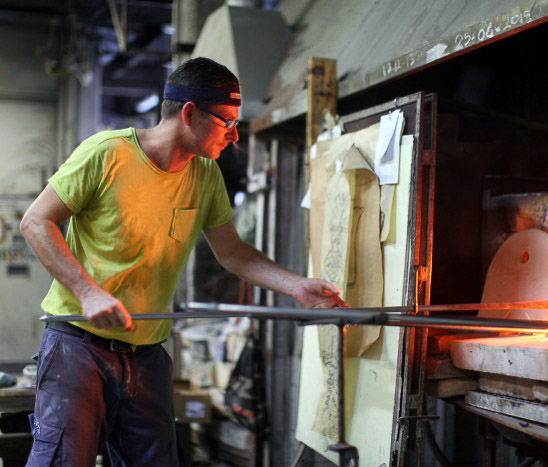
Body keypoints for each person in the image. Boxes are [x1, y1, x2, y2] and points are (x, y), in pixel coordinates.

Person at [20, 57, 343, 466]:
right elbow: (36, 221)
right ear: (189, 113)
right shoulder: (107, 154)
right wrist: (87, 293)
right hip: (78, 344)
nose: (235, 134)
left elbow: (233, 252)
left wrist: (297, 286)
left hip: (148, 351)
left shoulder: (206, 175)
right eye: (226, 120)